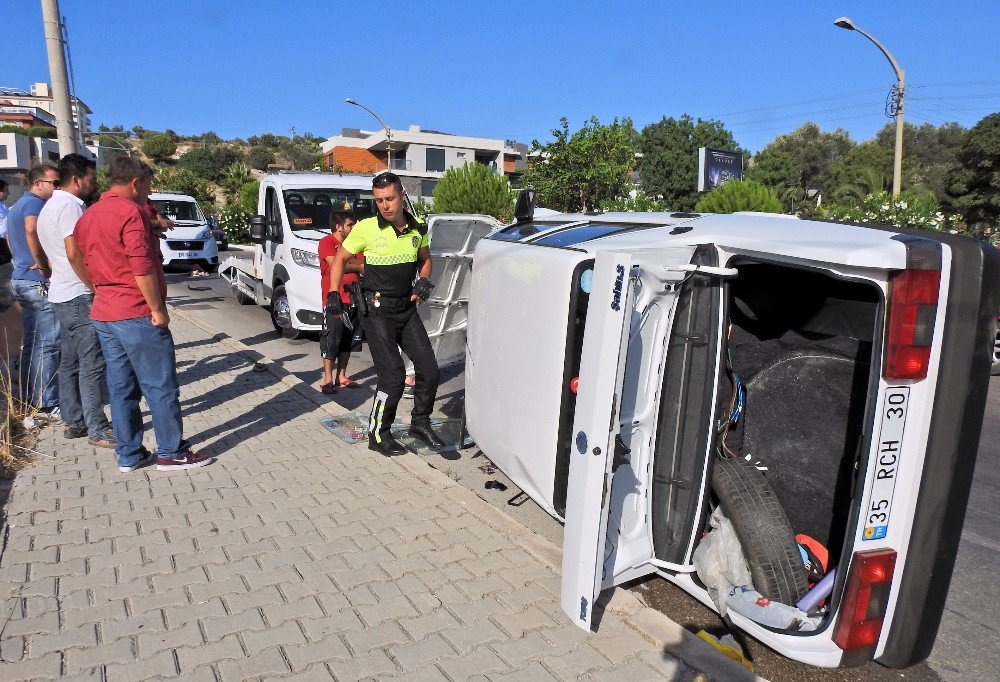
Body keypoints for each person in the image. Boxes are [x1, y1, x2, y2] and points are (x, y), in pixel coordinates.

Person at [74, 157, 213, 473]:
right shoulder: (131, 213)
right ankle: (171, 451)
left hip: (105, 313)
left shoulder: (88, 215)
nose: (148, 194)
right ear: (135, 183)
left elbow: (76, 257)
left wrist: (97, 289)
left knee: (121, 386)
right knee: (160, 385)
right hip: (136, 313)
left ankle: (129, 453)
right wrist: (156, 309)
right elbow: (143, 267)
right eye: (148, 187)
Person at [328, 172, 443, 455]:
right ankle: (378, 434)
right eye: (379, 200)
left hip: (406, 308)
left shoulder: (418, 227)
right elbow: (341, 258)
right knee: (392, 376)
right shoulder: (366, 228)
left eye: (389, 198)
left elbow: (425, 260)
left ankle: (420, 422)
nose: (385, 205)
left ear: (402, 196)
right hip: (376, 311)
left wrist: (424, 280)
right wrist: (333, 295)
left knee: (429, 370)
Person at [36, 154, 115, 448]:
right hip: (77, 294)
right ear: (78, 179)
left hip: (60, 292)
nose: (94, 185)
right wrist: (93, 286)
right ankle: (97, 428)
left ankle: (74, 420)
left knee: (69, 361)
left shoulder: (50, 205)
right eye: (92, 180)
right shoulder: (70, 206)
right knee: (92, 363)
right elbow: (74, 252)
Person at [7, 165, 61, 419]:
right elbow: (31, 229)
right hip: (36, 282)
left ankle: (30, 395)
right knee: (48, 343)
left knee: (32, 342)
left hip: (21, 279)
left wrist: (21, 257)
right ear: (38, 183)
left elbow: (8, 235)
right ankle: (47, 401)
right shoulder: (34, 205)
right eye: (54, 182)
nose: (57, 187)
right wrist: (42, 263)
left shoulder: (17, 204)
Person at [318, 210, 364, 394]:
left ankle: (342, 376)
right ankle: (328, 379)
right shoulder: (326, 243)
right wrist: (349, 262)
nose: (353, 228)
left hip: (354, 298)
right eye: (350, 225)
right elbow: (337, 264)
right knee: (332, 338)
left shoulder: (354, 244)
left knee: (349, 340)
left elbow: (364, 265)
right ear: (338, 226)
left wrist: (345, 260)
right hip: (335, 300)